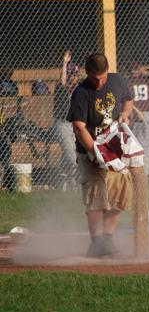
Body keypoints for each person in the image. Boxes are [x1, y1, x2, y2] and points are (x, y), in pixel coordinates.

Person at [67, 52, 134, 257]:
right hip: (90, 152)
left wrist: (124, 114)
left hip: (113, 148)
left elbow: (128, 100)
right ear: (87, 73)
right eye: (95, 78)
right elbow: (79, 127)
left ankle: (108, 239)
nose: (100, 82)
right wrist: (95, 153)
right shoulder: (81, 92)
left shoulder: (117, 81)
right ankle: (95, 243)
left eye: (103, 77)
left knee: (119, 190)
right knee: (95, 194)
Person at [53, 50, 80, 190]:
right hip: (63, 124)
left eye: (75, 74)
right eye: (71, 74)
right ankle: (71, 179)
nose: (73, 77)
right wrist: (64, 63)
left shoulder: (79, 88)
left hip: (76, 125)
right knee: (71, 155)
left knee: (68, 154)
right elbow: (63, 80)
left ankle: (65, 181)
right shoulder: (61, 87)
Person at [127, 63, 149, 180]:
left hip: (137, 115)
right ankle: (147, 172)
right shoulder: (148, 82)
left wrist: (136, 112)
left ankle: (147, 173)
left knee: (139, 146)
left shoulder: (129, 83)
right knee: (147, 146)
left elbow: (129, 101)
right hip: (146, 114)